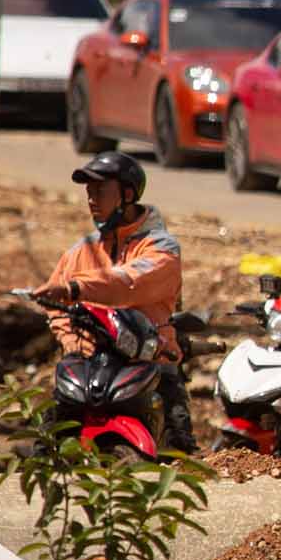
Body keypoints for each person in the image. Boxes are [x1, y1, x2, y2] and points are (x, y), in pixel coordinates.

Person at [36, 152, 192, 452]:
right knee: (48, 440)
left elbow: (127, 283)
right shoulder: (81, 250)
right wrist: (71, 341)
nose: (92, 200)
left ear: (128, 194)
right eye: (89, 192)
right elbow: (55, 307)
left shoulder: (161, 248)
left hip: (150, 360)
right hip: (91, 363)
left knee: (179, 445)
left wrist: (76, 288)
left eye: (100, 191)